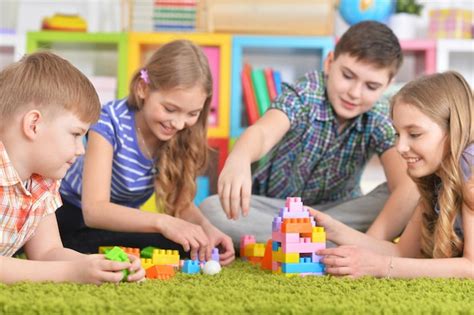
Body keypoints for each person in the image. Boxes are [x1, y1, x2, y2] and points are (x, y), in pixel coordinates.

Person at [199, 21, 419, 246]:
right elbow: (263, 132)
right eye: (347, 75)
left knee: (409, 195)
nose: (354, 93)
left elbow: (405, 186)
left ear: (387, 85)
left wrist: (369, 245)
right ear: (330, 63)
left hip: (336, 213)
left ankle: (315, 239)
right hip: (276, 210)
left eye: (371, 86)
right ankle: (325, 241)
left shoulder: (379, 116)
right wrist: (240, 157)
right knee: (211, 210)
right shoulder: (306, 93)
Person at [57, 40, 234, 265]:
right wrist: (163, 222)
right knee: (162, 235)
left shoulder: (178, 133)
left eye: (192, 113)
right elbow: (94, 211)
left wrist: (207, 230)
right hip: (70, 213)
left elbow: (179, 203)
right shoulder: (108, 121)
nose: (179, 123)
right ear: (143, 88)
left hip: (118, 223)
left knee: (186, 243)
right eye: (170, 109)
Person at [0, 51, 144, 284]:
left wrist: (98, 264)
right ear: (34, 125)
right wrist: (69, 273)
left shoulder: (42, 182)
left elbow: (48, 252)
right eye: (76, 134)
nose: (81, 149)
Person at [312, 71, 473, 278]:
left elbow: (471, 267)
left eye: (414, 134)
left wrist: (380, 266)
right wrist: (333, 230)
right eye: (398, 134)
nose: (400, 147)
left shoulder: (470, 167)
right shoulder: (436, 175)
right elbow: (402, 252)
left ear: (453, 130)